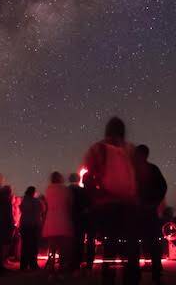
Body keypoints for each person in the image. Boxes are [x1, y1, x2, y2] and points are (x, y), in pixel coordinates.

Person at [83, 116, 140, 285]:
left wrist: (96, 196)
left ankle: (108, 278)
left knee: (110, 245)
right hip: (129, 204)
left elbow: (88, 176)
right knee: (131, 246)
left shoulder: (97, 148)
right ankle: (131, 279)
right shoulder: (130, 149)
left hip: (107, 204)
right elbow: (138, 175)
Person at [133, 144, 167, 284]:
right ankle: (156, 275)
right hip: (150, 211)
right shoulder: (153, 169)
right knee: (154, 244)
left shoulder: (133, 170)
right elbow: (163, 187)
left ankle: (135, 275)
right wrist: (155, 202)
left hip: (136, 211)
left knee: (134, 244)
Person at [42, 172, 74, 276]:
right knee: (63, 249)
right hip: (63, 220)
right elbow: (70, 203)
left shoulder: (48, 190)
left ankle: (51, 269)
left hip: (51, 221)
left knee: (52, 248)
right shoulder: (65, 190)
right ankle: (61, 269)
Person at [67, 172, 90, 271]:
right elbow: (85, 206)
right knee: (79, 241)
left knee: (70, 241)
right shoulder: (82, 191)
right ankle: (77, 262)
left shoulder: (66, 191)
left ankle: (69, 262)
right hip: (80, 219)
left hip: (68, 218)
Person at [19, 186, 42, 271]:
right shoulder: (36, 201)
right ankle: (33, 264)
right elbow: (41, 210)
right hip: (33, 225)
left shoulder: (23, 201)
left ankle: (23, 265)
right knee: (33, 246)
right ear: (33, 192)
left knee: (25, 245)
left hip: (25, 225)